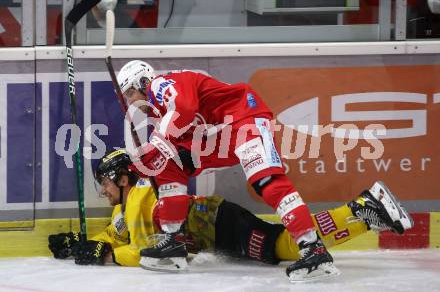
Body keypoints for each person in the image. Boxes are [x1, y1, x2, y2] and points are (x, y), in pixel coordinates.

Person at [48, 150, 413, 279]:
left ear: (122, 177)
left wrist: (108, 255)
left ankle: (362, 210)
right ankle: (363, 211)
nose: (104, 191)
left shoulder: (140, 195)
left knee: (282, 247)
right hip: (217, 224)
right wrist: (86, 244)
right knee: (281, 244)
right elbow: (117, 233)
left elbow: (144, 247)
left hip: (219, 224)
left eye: (105, 183)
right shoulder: (128, 203)